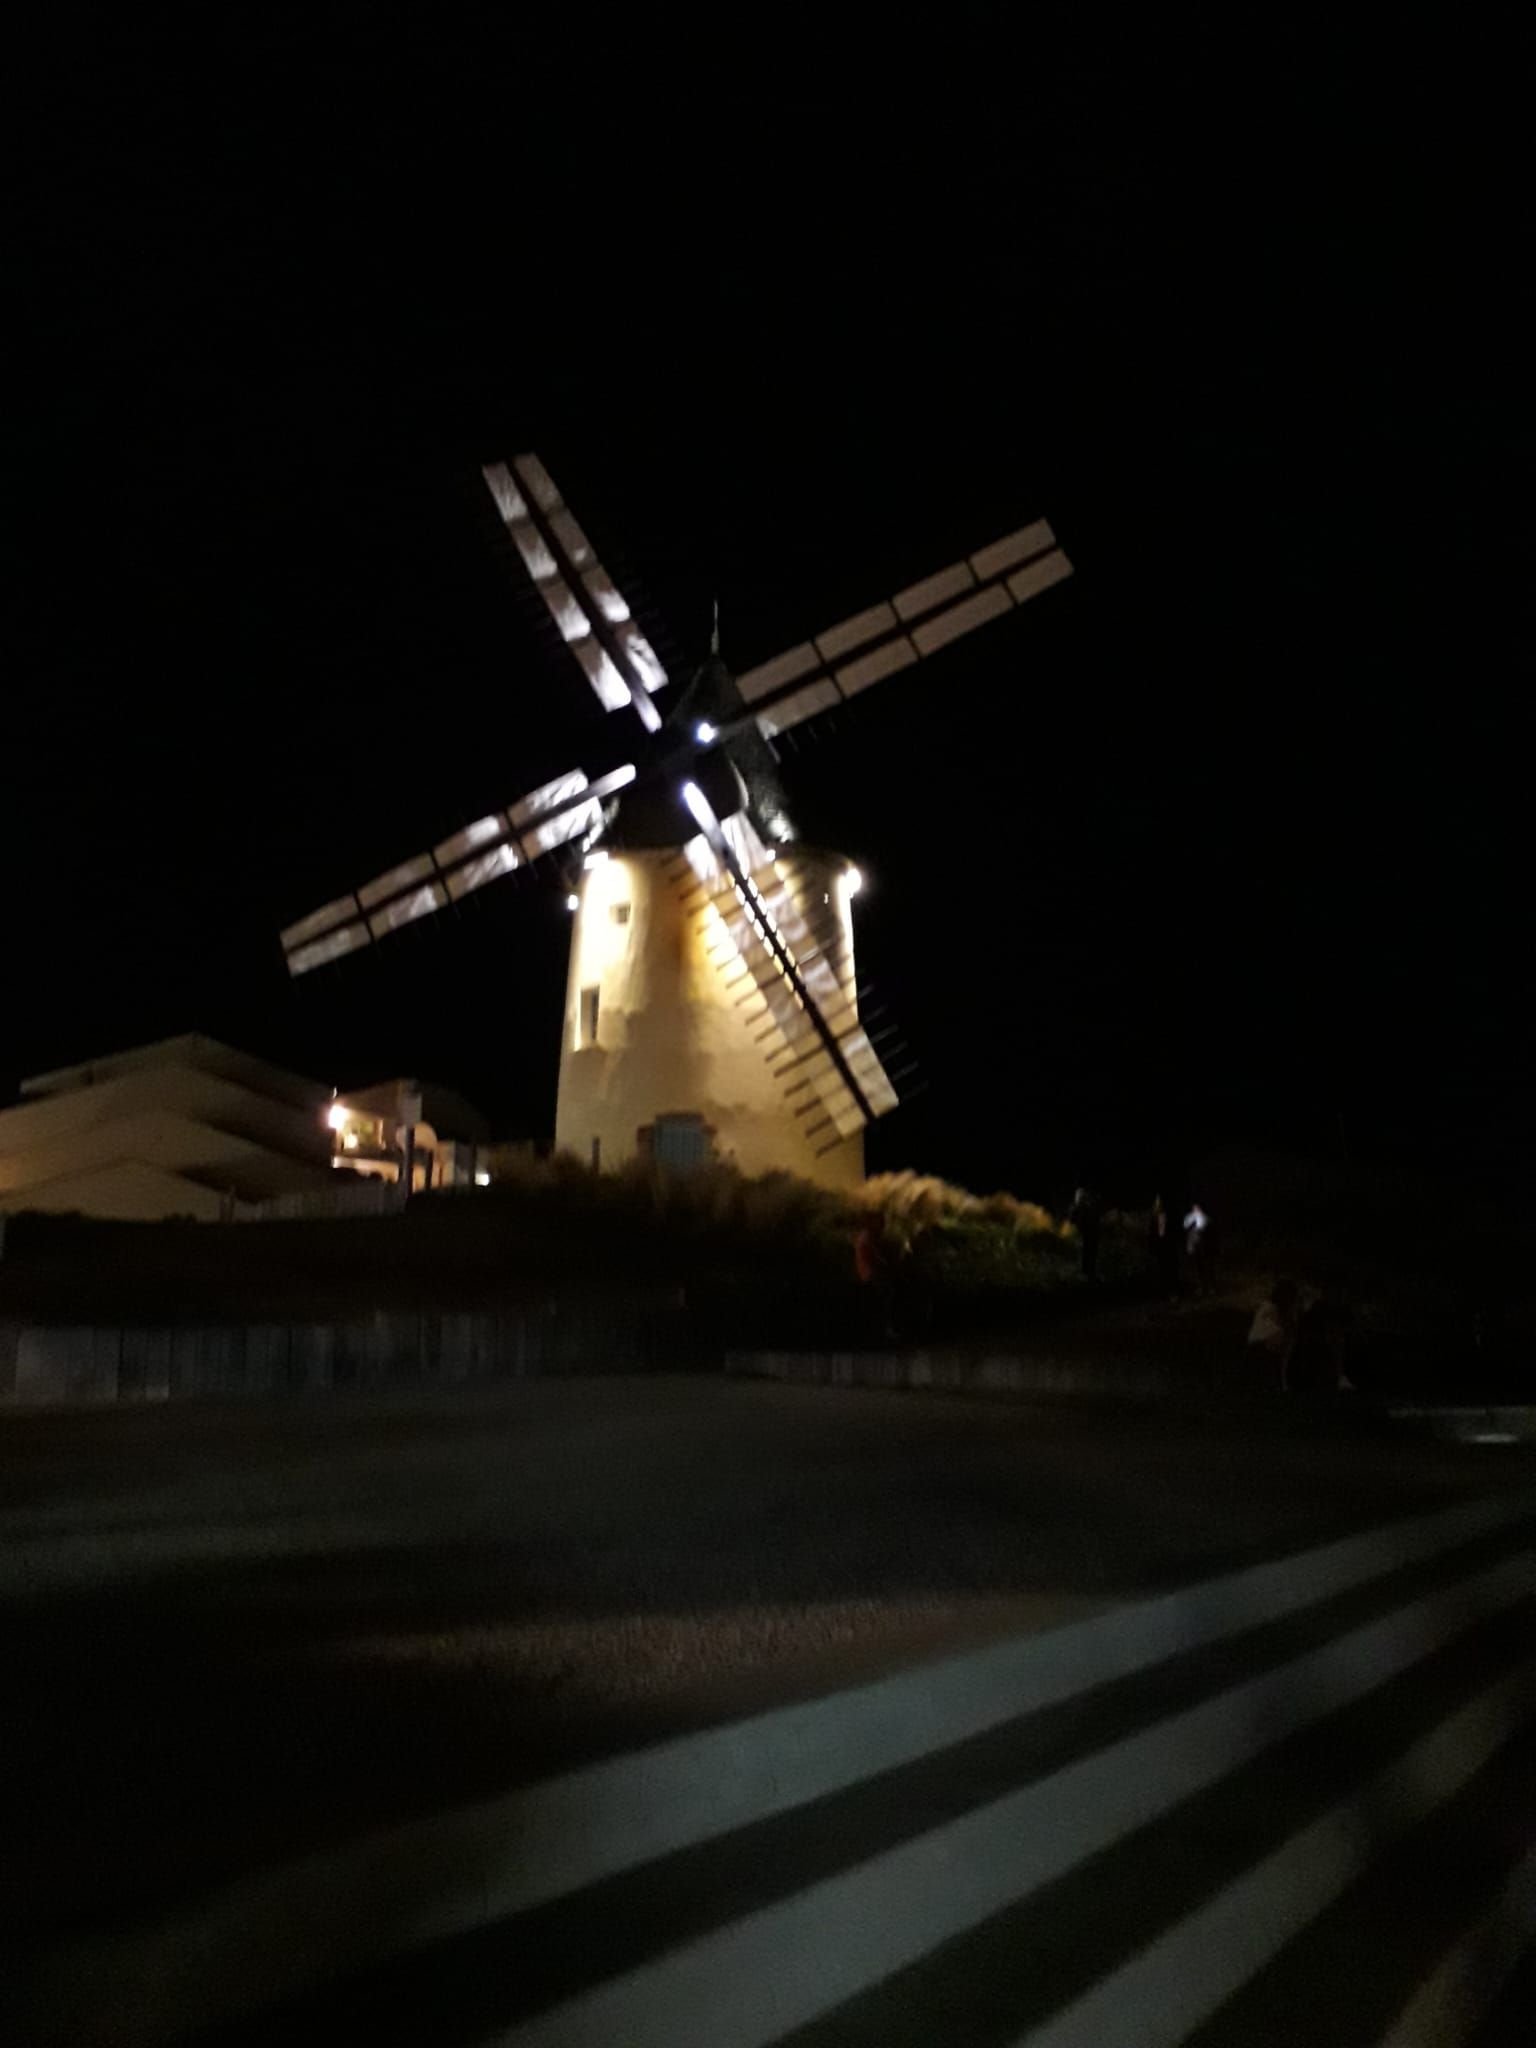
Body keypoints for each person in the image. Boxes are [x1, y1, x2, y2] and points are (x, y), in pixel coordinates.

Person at [1247, 1277, 1300, 1390]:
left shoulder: (1271, 1311)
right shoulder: (1271, 1311)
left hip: (1265, 1359)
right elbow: (1272, 1342)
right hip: (1262, 1357)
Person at [1069, 1186, 1103, 1284]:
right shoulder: (1079, 1207)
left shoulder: (1089, 1205)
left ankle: (1089, 1273)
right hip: (1085, 1233)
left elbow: (1095, 1218)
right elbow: (1073, 1220)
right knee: (1086, 1253)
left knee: (1090, 1253)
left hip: (1091, 1233)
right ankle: (1086, 1273)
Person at [1149, 1194, 1179, 1297]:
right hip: (1160, 1247)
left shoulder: (1170, 1216)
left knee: (1171, 1269)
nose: (1158, 1205)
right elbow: (1152, 1233)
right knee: (1163, 1269)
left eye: (1159, 1202)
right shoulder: (1154, 1218)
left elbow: (1174, 1231)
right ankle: (1165, 1291)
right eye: (1157, 1203)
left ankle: (1173, 1292)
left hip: (1169, 1247)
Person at [1183, 1200, 1212, 1295]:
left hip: (1202, 1245)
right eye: (1194, 1207)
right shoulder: (1189, 1216)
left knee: (1204, 1266)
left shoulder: (1204, 1217)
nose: (1196, 1209)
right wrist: (1192, 1222)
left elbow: (1203, 1228)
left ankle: (1208, 1286)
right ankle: (1198, 1287)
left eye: (1197, 1207)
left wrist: (1198, 1223)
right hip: (1192, 1244)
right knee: (1194, 1266)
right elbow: (1185, 1226)